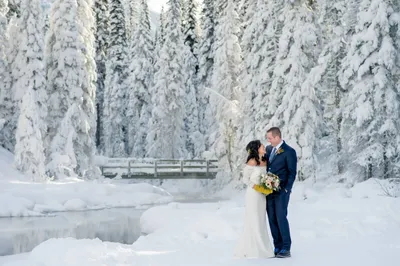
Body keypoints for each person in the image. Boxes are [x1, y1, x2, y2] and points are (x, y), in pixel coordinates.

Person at [234, 140, 274, 259]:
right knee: (254, 219)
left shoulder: (265, 160)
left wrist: (268, 185)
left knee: (261, 219)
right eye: (261, 145)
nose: (263, 146)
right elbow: (245, 179)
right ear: (257, 149)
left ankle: (264, 247)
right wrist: (256, 187)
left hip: (262, 195)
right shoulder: (252, 161)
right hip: (253, 194)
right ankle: (254, 249)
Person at [265, 127, 297, 258]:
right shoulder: (268, 149)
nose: (268, 140)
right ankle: (277, 246)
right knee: (272, 218)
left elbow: (292, 172)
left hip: (282, 191)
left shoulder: (289, 151)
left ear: (277, 137)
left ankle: (286, 247)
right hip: (268, 191)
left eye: (270, 138)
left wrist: (286, 189)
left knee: (281, 217)